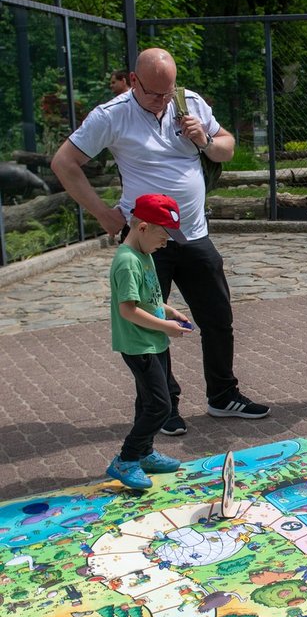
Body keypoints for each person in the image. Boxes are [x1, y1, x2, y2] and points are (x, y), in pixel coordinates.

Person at [52, 48, 269, 436]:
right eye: (155, 94)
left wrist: (205, 140)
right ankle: (162, 405)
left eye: (168, 93)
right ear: (134, 81)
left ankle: (223, 396)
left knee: (218, 319)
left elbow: (227, 147)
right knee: (151, 326)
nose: (163, 102)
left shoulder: (189, 102)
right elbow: (64, 163)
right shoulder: (111, 115)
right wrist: (103, 213)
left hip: (195, 234)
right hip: (148, 240)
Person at [107, 194, 192, 490]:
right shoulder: (127, 262)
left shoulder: (144, 255)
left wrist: (169, 311)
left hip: (154, 341)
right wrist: (166, 326)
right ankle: (126, 458)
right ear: (142, 227)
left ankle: (144, 453)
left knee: (148, 401)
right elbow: (127, 309)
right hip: (138, 344)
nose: (166, 242)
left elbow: (150, 298)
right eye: (163, 234)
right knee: (159, 406)